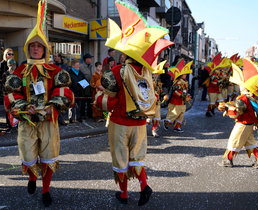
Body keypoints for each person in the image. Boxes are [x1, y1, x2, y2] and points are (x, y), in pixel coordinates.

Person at [95, 1, 173, 206]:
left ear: (125, 52)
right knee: (137, 159)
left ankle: (123, 195)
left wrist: (99, 98)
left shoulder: (116, 71)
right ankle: (144, 186)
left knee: (121, 160)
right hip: (140, 123)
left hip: (120, 123)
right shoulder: (148, 72)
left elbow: (108, 104)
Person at [3, 1, 74, 206]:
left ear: (44, 49)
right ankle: (32, 178)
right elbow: (11, 95)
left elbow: (63, 91)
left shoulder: (54, 70)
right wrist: (24, 106)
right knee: (28, 155)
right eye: (32, 46)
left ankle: (45, 189)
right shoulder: (19, 71)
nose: (35, 49)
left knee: (48, 156)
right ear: (28, 48)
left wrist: (53, 104)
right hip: (27, 122)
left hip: (49, 121)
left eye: (39, 46)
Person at [217, 58, 258, 169]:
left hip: (243, 123)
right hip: (250, 123)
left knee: (234, 141)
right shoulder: (251, 96)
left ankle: (228, 160)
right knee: (251, 143)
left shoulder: (243, 97)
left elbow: (236, 112)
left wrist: (226, 108)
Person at [163, 59, 192, 132]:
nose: (186, 75)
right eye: (184, 74)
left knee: (181, 115)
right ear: (181, 75)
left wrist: (187, 96)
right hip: (176, 101)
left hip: (182, 102)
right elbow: (176, 92)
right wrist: (184, 95)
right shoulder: (178, 82)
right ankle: (166, 122)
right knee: (174, 114)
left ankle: (177, 127)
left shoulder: (184, 82)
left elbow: (185, 91)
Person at [53, 53, 70, 125]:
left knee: (63, 102)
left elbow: (67, 74)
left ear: (59, 57)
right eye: (54, 56)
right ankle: (57, 119)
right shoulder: (54, 65)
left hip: (63, 86)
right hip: (56, 86)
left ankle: (61, 118)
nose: (54, 58)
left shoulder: (65, 65)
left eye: (55, 56)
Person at [2, 59, 17, 132]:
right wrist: (5, 95)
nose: (13, 67)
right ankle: (9, 125)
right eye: (11, 65)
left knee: (16, 109)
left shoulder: (17, 73)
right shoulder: (5, 74)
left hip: (15, 94)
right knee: (8, 109)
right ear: (8, 66)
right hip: (8, 94)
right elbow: (3, 85)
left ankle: (16, 125)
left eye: (14, 65)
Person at [79, 53, 93, 119]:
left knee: (90, 102)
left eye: (91, 58)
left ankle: (90, 114)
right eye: (90, 58)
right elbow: (80, 77)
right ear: (86, 59)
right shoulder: (81, 67)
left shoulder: (92, 66)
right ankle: (82, 115)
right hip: (84, 88)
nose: (91, 59)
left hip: (91, 88)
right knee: (83, 103)